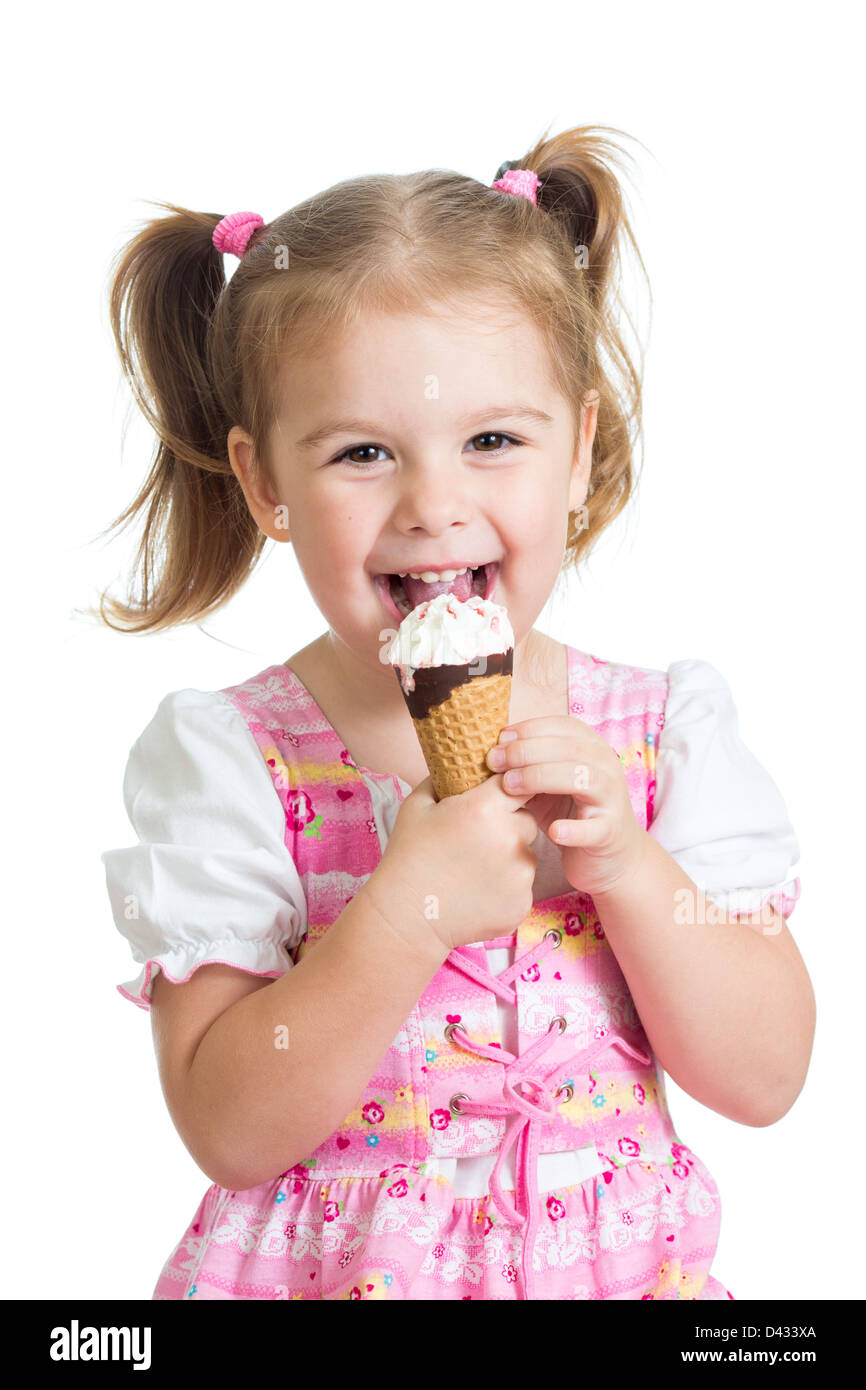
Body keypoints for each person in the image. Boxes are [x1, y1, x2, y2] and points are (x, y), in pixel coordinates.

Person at [98, 125, 814, 1300]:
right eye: (363, 452)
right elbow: (226, 1126)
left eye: (491, 440)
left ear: (578, 447)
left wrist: (627, 866)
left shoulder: (657, 735)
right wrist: (401, 915)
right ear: (265, 482)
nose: (435, 505)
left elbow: (765, 1075)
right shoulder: (232, 759)